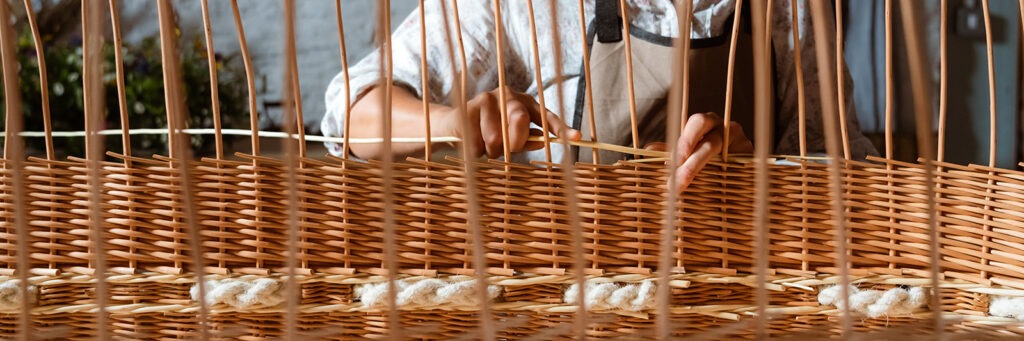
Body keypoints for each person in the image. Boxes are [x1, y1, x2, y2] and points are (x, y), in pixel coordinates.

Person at [321, 0, 878, 191]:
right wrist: (449, 122)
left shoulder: (788, 9)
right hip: (562, 295)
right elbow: (350, 113)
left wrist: (751, 167)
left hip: (728, 300)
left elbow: (843, 174)